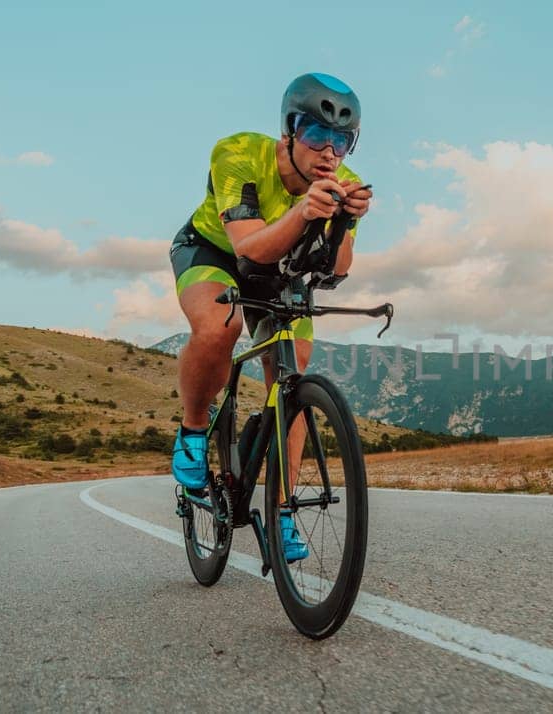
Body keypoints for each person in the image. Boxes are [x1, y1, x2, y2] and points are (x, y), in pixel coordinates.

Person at [167, 72, 373, 561]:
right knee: (221, 327)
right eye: (316, 135)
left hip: (282, 272)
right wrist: (304, 212)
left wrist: (345, 220)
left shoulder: (342, 183)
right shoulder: (238, 153)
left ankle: (282, 513)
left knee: (292, 376)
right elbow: (248, 248)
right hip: (213, 254)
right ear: (289, 130)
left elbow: (339, 269)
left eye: (341, 140)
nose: (329, 152)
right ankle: (194, 429)